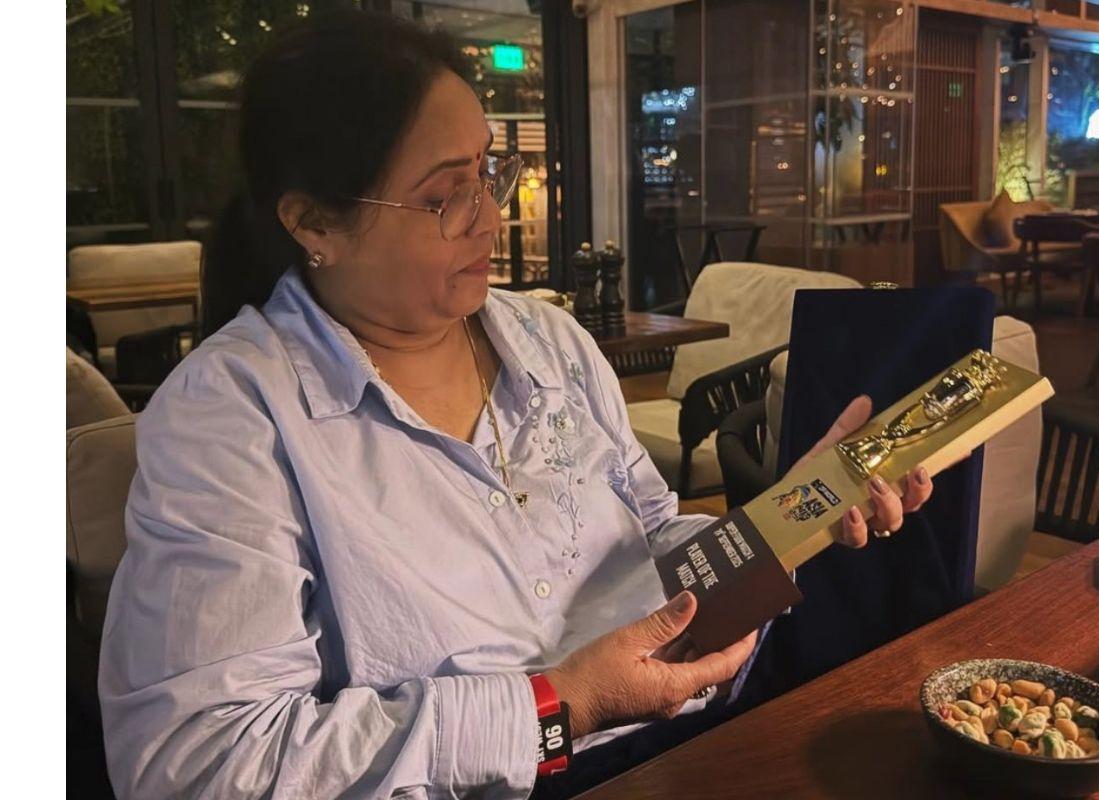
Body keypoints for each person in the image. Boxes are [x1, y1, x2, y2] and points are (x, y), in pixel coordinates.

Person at [97, 10, 933, 799]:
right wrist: (558, 708)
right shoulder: (233, 415)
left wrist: (790, 513)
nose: (492, 218)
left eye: (490, 171)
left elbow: (651, 542)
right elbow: (199, 764)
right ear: (315, 223)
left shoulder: (549, 341)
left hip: (702, 733)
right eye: (444, 197)